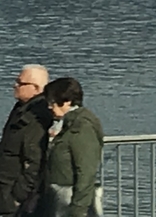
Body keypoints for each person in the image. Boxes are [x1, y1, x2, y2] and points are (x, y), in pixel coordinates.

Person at [0, 64, 53, 217]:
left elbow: (34, 161)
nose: (15, 86)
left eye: (20, 83)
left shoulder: (36, 116)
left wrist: (16, 196)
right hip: (3, 192)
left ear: (36, 88)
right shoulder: (22, 109)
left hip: (11, 199)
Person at [41, 77, 105, 217]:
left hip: (71, 202)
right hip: (60, 199)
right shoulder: (67, 125)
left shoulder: (82, 127)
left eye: (52, 102)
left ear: (67, 101)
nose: (49, 107)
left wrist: (78, 209)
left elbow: (85, 171)